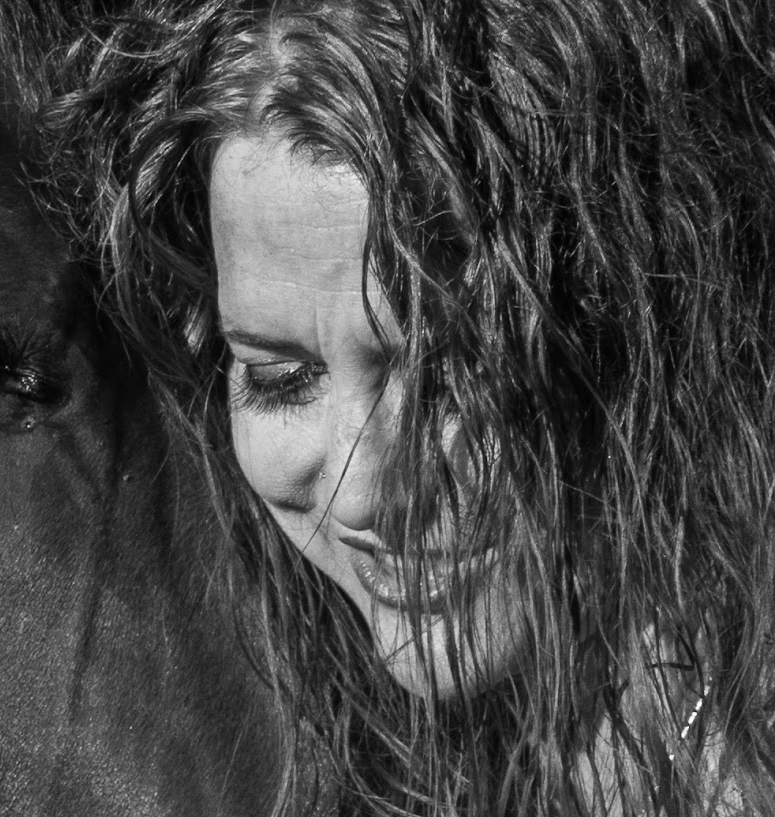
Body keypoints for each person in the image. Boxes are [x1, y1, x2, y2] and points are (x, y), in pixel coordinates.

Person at [44, 0, 775, 813]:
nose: (366, 493)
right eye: (281, 378)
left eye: (449, 372)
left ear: (641, 315)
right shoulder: (286, 730)